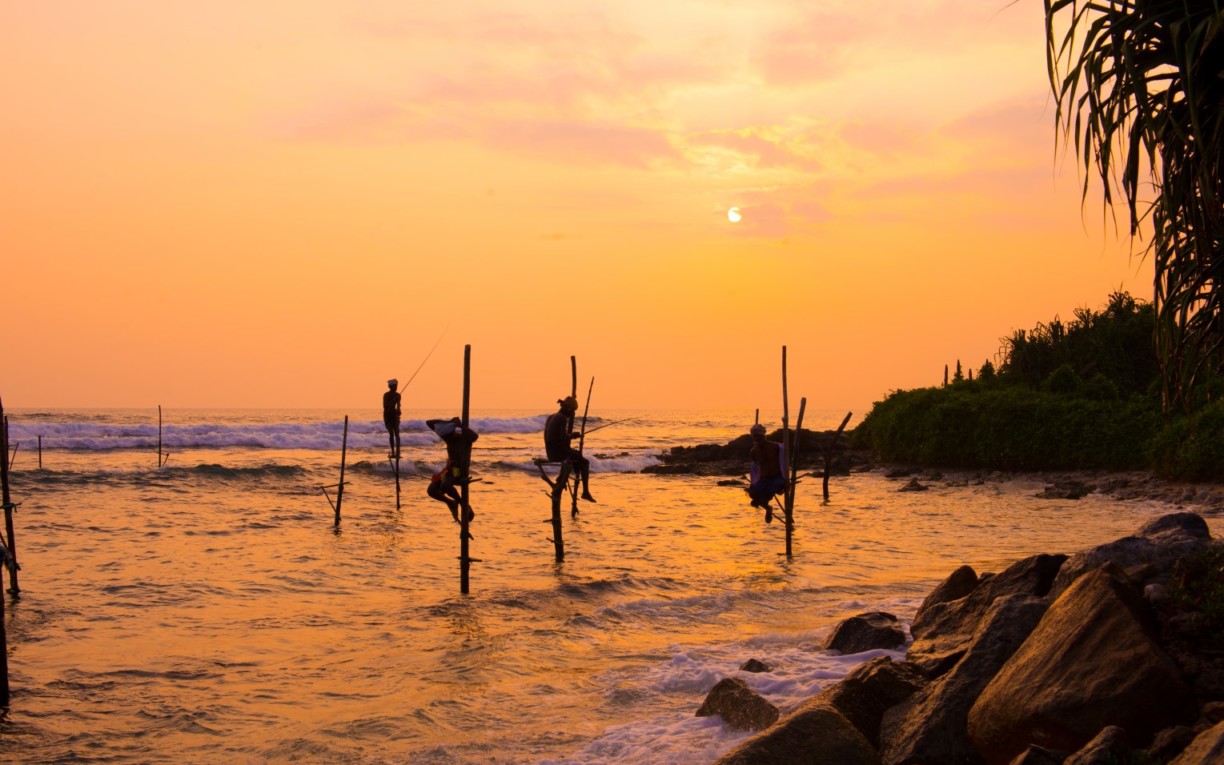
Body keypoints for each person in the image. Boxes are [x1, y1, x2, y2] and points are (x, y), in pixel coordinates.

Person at [426, 417, 478, 524]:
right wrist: (450, 423)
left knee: (445, 485)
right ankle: (451, 503)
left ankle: (464, 505)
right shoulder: (448, 437)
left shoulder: (464, 438)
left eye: (448, 436)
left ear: (453, 433)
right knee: (431, 490)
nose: (447, 439)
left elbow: (475, 436)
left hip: (461, 471)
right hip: (449, 471)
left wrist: (461, 426)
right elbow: (429, 423)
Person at [544, 396, 595, 502]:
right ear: (568, 409)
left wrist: (569, 438)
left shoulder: (552, 416)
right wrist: (572, 436)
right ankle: (585, 491)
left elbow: (554, 438)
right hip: (558, 454)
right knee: (585, 462)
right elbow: (562, 437)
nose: (573, 414)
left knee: (575, 454)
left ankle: (561, 478)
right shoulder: (562, 418)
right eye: (573, 411)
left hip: (551, 453)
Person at [748, 423, 787, 523]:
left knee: (768, 492)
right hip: (764, 478)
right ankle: (768, 508)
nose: (758, 439)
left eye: (760, 436)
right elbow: (755, 468)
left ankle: (765, 502)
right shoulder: (754, 451)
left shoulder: (775, 447)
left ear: (764, 435)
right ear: (753, 437)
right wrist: (754, 482)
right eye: (755, 437)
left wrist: (787, 480)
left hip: (777, 476)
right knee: (753, 494)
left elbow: (784, 460)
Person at [383, 379, 401, 458]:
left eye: (396, 386)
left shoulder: (398, 395)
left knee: (397, 433)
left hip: (394, 415)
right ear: (390, 387)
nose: (396, 387)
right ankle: (393, 451)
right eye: (394, 386)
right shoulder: (386, 395)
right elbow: (385, 406)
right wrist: (392, 400)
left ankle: (397, 452)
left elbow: (398, 405)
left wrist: (398, 411)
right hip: (387, 415)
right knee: (391, 434)